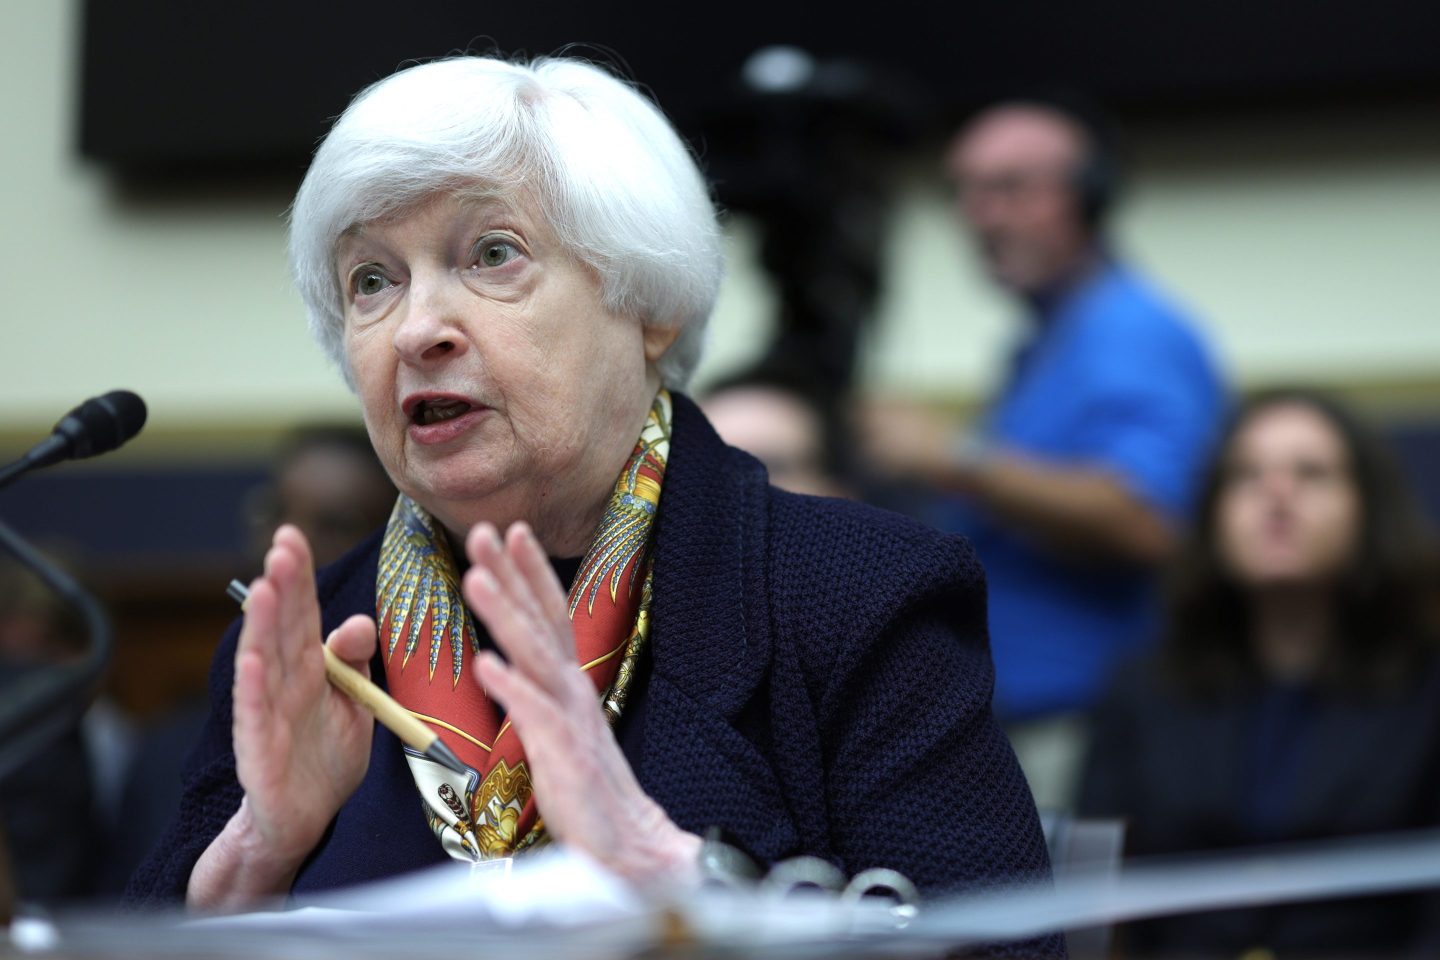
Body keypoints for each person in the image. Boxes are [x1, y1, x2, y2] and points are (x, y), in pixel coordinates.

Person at [123, 55, 1059, 955]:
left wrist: (667, 870)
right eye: (373, 281)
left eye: (492, 255)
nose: (416, 330)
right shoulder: (315, 637)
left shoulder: (856, 596)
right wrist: (255, 858)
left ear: (648, 306)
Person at [863, 97, 1226, 808]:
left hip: (1081, 728)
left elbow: (1148, 519)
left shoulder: (1129, 330)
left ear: (1090, 196)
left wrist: (954, 458)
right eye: (965, 191)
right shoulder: (1049, 336)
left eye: (1009, 188)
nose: (980, 216)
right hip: (1028, 724)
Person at [1079, 389, 1440, 957]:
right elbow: (1093, 891)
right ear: (1213, 514)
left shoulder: (1428, 686)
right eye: (1246, 475)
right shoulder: (1142, 687)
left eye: (1311, 473)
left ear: (1369, 508)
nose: (1276, 494)